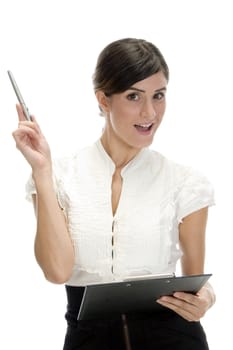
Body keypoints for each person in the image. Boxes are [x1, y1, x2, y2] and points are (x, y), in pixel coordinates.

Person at [12, 38, 216, 350]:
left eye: (158, 96)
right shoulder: (60, 176)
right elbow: (57, 271)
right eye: (133, 96)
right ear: (103, 100)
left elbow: (195, 285)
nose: (150, 112)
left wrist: (207, 297)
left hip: (174, 340)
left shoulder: (185, 182)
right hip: (89, 341)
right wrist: (42, 171)